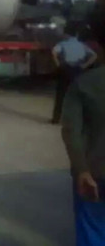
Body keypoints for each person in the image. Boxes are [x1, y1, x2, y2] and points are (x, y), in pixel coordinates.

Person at [61, 65, 105, 245]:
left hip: (94, 172)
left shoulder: (84, 83)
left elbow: (71, 131)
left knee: (92, 228)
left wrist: (82, 170)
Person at [51, 25, 98, 124]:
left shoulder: (62, 44)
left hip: (65, 69)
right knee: (78, 95)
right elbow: (94, 55)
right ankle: (80, 119)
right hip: (78, 70)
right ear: (76, 34)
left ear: (66, 34)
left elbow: (54, 52)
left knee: (61, 95)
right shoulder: (82, 45)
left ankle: (56, 119)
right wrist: (84, 65)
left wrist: (58, 64)